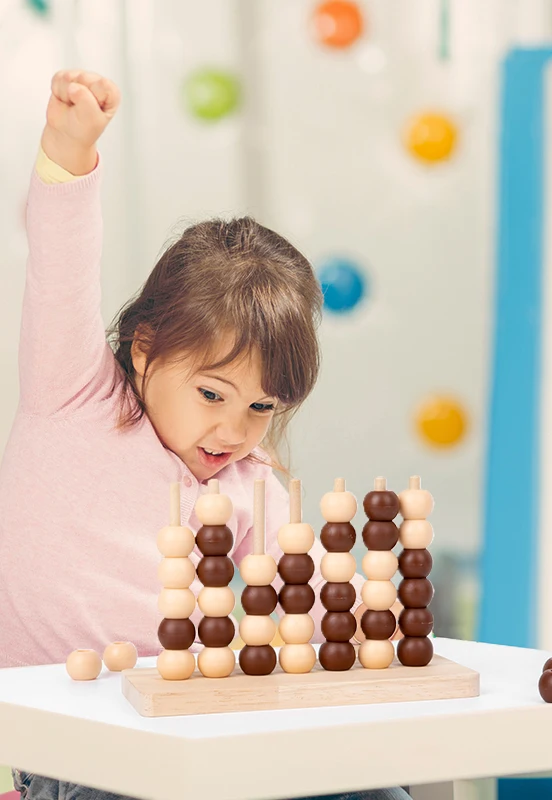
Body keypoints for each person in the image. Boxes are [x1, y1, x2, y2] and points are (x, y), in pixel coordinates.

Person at [1, 69, 406, 800]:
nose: (232, 429)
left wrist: (372, 621)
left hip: (218, 740)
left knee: (373, 792)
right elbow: (61, 269)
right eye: (212, 393)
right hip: (81, 753)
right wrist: (70, 148)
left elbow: (307, 614)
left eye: (261, 408)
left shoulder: (251, 488)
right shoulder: (73, 395)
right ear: (146, 349)